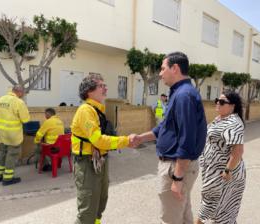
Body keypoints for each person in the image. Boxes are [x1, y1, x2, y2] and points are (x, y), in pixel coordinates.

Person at [135, 52, 207, 224]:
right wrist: (140, 138)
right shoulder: (179, 93)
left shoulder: (183, 96)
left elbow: (187, 140)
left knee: (170, 219)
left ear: (175, 68)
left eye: (162, 68)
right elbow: (165, 128)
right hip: (178, 167)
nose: (160, 74)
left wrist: (178, 178)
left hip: (176, 167)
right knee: (183, 216)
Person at [71, 73, 136, 224]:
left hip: (99, 161)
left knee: (100, 201)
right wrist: (126, 141)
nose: (105, 88)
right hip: (87, 163)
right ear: (89, 91)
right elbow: (98, 140)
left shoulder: (97, 109)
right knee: (88, 209)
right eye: (101, 85)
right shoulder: (85, 111)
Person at [196, 91, 246, 224]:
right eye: (217, 100)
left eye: (222, 102)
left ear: (232, 106)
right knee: (224, 210)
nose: (218, 103)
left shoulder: (234, 123)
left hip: (225, 174)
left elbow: (238, 150)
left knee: (216, 207)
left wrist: (228, 170)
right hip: (214, 172)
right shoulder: (221, 118)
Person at [0, 85, 30, 186]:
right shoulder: (19, 102)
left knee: (2, 152)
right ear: (20, 92)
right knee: (12, 155)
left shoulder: (0, 100)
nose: (23, 95)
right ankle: (8, 178)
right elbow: (25, 119)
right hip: (13, 135)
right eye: (23, 93)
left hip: (1, 133)